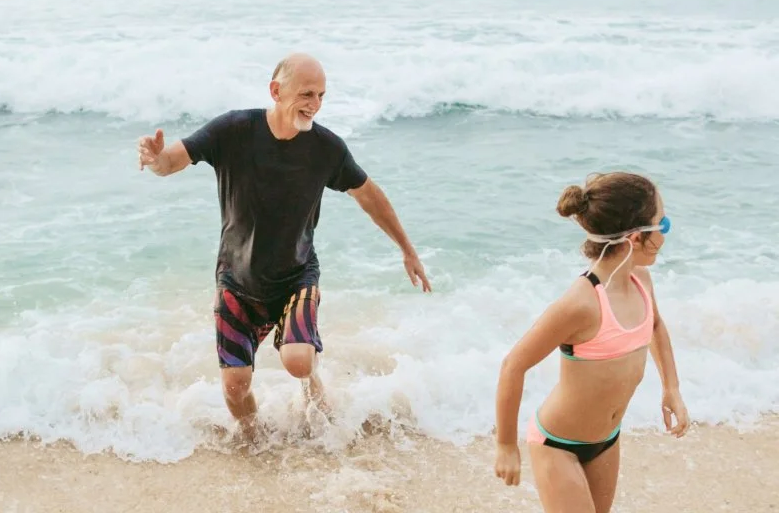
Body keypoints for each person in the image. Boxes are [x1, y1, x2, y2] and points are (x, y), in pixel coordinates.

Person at [136, 52, 431, 443]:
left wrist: (407, 249)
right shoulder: (233, 130)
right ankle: (253, 438)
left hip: (297, 274)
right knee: (235, 386)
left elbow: (369, 195)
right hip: (237, 277)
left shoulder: (327, 149)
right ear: (276, 91)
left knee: (297, 361)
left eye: (322, 95)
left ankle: (313, 381)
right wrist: (155, 160)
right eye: (306, 93)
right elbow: (171, 161)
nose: (315, 105)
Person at [494, 172, 690, 512]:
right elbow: (514, 365)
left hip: (606, 440)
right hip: (558, 445)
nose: (665, 232)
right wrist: (506, 445)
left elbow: (655, 326)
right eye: (663, 224)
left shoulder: (640, 280)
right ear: (634, 238)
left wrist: (671, 387)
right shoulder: (581, 304)